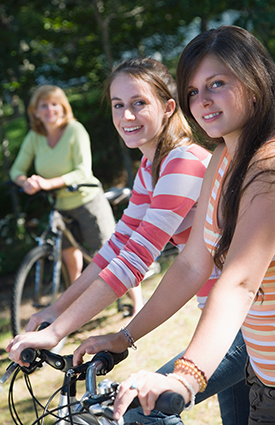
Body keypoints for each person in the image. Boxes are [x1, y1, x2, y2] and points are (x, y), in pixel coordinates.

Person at [7, 58, 250, 424]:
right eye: (118, 105)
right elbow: (114, 249)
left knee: (145, 411)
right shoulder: (150, 169)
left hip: (244, 319)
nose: (127, 115)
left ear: (168, 108)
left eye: (139, 103)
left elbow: (136, 258)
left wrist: (58, 332)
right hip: (219, 317)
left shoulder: (184, 162)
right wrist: (54, 312)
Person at [91, 26, 275, 425]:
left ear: (255, 83)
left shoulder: (268, 167)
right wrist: (125, 338)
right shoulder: (221, 160)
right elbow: (193, 263)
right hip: (263, 374)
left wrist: (186, 377)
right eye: (193, 91)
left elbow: (240, 282)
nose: (202, 101)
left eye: (217, 84)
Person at [10, 85, 115, 286]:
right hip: (59, 205)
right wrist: (27, 183)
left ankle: (136, 302)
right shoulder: (34, 137)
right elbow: (16, 171)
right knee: (69, 259)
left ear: (64, 107)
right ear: (35, 112)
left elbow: (83, 171)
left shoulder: (75, 130)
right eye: (44, 105)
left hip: (87, 199)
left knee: (109, 254)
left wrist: (48, 183)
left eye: (55, 104)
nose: (50, 109)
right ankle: (75, 307)